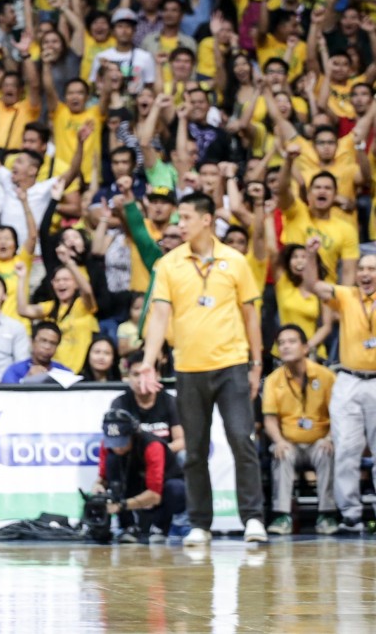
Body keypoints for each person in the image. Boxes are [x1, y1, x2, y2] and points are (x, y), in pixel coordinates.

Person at [137, 192, 267, 546]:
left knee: (242, 440)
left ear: (206, 220)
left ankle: (253, 519)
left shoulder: (236, 261)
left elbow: (251, 315)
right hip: (189, 368)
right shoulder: (169, 264)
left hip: (232, 365)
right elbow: (159, 315)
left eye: (186, 218)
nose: (180, 225)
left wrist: (256, 364)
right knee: (194, 449)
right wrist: (148, 362)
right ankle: (200, 523)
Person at [302, 237, 376, 533]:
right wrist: (310, 256)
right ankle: (351, 515)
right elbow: (313, 286)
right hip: (349, 380)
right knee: (346, 449)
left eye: (372, 269)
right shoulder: (346, 295)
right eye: (362, 269)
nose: (366, 274)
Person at [262, 324, 338, 536]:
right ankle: (282, 516)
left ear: (305, 348)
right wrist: (278, 440)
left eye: (292, 341)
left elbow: (338, 415)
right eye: (281, 343)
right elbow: (269, 420)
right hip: (290, 442)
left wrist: (330, 438)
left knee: (327, 451)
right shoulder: (272, 380)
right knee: (281, 453)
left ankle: (327, 514)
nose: (286, 346)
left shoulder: (326, 377)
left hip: (318, 441)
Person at [93, 408, 186, 543]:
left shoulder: (152, 445)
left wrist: (121, 506)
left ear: (133, 434)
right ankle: (127, 526)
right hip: (131, 486)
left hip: (160, 492)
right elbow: (103, 478)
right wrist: (98, 487)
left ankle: (160, 525)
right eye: (113, 442)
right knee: (113, 463)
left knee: (175, 489)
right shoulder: (107, 446)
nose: (117, 447)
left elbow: (155, 495)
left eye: (122, 442)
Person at [113, 351, 186, 458]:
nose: (140, 380)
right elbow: (117, 444)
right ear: (128, 377)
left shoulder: (170, 401)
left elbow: (181, 440)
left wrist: (157, 451)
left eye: (146, 374)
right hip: (133, 459)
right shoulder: (120, 403)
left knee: (184, 456)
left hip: (164, 457)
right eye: (136, 374)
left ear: (157, 375)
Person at [0, 321, 72, 384]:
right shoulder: (14, 371)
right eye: (43, 340)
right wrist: (26, 380)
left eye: (53, 343)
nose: (47, 346)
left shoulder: (65, 374)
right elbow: (7, 396)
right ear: (32, 342)